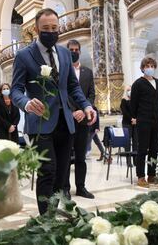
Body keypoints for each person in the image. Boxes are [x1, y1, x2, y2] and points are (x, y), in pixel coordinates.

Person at [11, 8, 97, 215]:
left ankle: (55, 212)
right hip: (40, 123)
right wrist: (26, 103)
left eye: (54, 28)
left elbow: (72, 86)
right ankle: (46, 219)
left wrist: (86, 105)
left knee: (61, 173)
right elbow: (15, 89)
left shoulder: (65, 53)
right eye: (46, 29)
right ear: (36, 29)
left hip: (65, 122)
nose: (51, 32)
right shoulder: (24, 55)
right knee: (47, 172)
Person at [63, 39, 96, 200]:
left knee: (81, 157)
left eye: (76, 49)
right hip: (67, 120)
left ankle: (81, 187)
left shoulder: (88, 72)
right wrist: (72, 112)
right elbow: (62, 95)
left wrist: (84, 110)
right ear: (67, 51)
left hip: (83, 121)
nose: (74, 52)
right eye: (71, 49)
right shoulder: (62, 70)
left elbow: (91, 95)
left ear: (80, 52)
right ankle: (65, 189)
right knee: (67, 156)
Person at [131, 57, 158, 188]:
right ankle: (140, 176)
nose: (150, 68)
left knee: (155, 149)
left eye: (152, 65)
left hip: (157, 119)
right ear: (143, 68)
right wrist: (135, 117)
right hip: (144, 119)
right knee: (142, 149)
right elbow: (133, 103)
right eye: (147, 66)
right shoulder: (138, 83)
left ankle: (152, 175)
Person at [120, 85, 138, 155]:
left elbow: (138, 110)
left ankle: (136, 161)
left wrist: (136, 119)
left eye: (130, 90)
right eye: (128, 90)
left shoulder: (135, 100)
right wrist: (131, 119)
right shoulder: (123, 100)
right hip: (127, 123)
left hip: (135, 123)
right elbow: (125, 112)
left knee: (136, 142)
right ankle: (129, 162)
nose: (129, 92)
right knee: (127, 142)